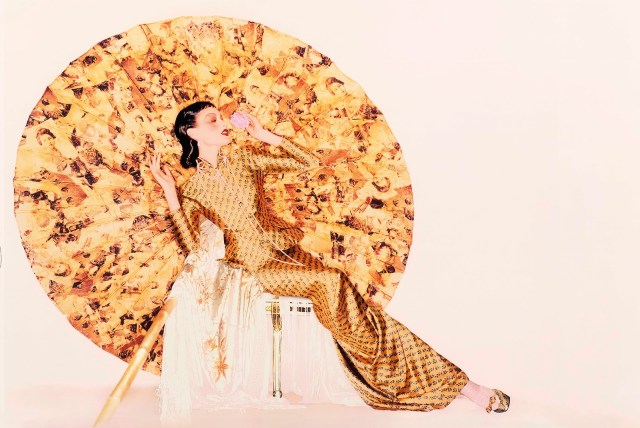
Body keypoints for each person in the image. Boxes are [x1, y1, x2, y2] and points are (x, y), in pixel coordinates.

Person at [149, 100, 510, 414]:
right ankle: (412, 376)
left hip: (290, 252)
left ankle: (429, 378)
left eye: (222, 116)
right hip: (256, 268)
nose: (224, 122)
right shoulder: (193, 188)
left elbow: (308, 161)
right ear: (191, 132)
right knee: (332, 282)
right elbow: (193, 246)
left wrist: (266, 136)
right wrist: (171, 194)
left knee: (354, 306)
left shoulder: (244, 158)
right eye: (212, 120)